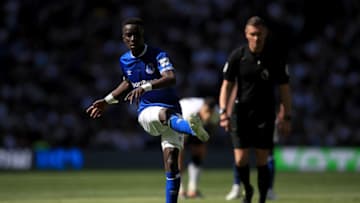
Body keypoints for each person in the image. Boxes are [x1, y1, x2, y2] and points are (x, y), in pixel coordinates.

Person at [86, 17, 209, 203]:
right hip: (147, 112)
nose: (133, 38)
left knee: (172, 164)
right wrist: (107, 100)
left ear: (143, 35)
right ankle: (193, 130)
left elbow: (171, 78)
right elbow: (127, 82)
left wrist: (145, 87)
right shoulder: (124, 60)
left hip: (173, 112)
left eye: (136, 34)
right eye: (129, 35)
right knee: (164, 114)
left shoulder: (159, 55)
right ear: (123, 39)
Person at [218, 16, 292, 203]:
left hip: (265, 114)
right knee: (241, 159)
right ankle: (247, 189)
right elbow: (226, 86)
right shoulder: (238, 56)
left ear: (265, 33)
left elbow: (284, 89)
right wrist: (223, 113)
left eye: (259, 34)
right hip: (240, 113)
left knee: (261, 160)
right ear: (246, 34)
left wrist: (286, 116)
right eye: (253, 34)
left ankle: (261, 199)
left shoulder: (275, 57)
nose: (256, 38)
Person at [177, 97, 218, 199]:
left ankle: (193, 189)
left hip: (199, 127)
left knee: (199, 152)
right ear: (202, 107)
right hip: (179, 120)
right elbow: (180, 140)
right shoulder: (188, 114)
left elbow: (212, 129)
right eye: (206, 111)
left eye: (211, 112)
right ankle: (180, 189)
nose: (208, 115)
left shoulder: (216, 113)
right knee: (179, 155)